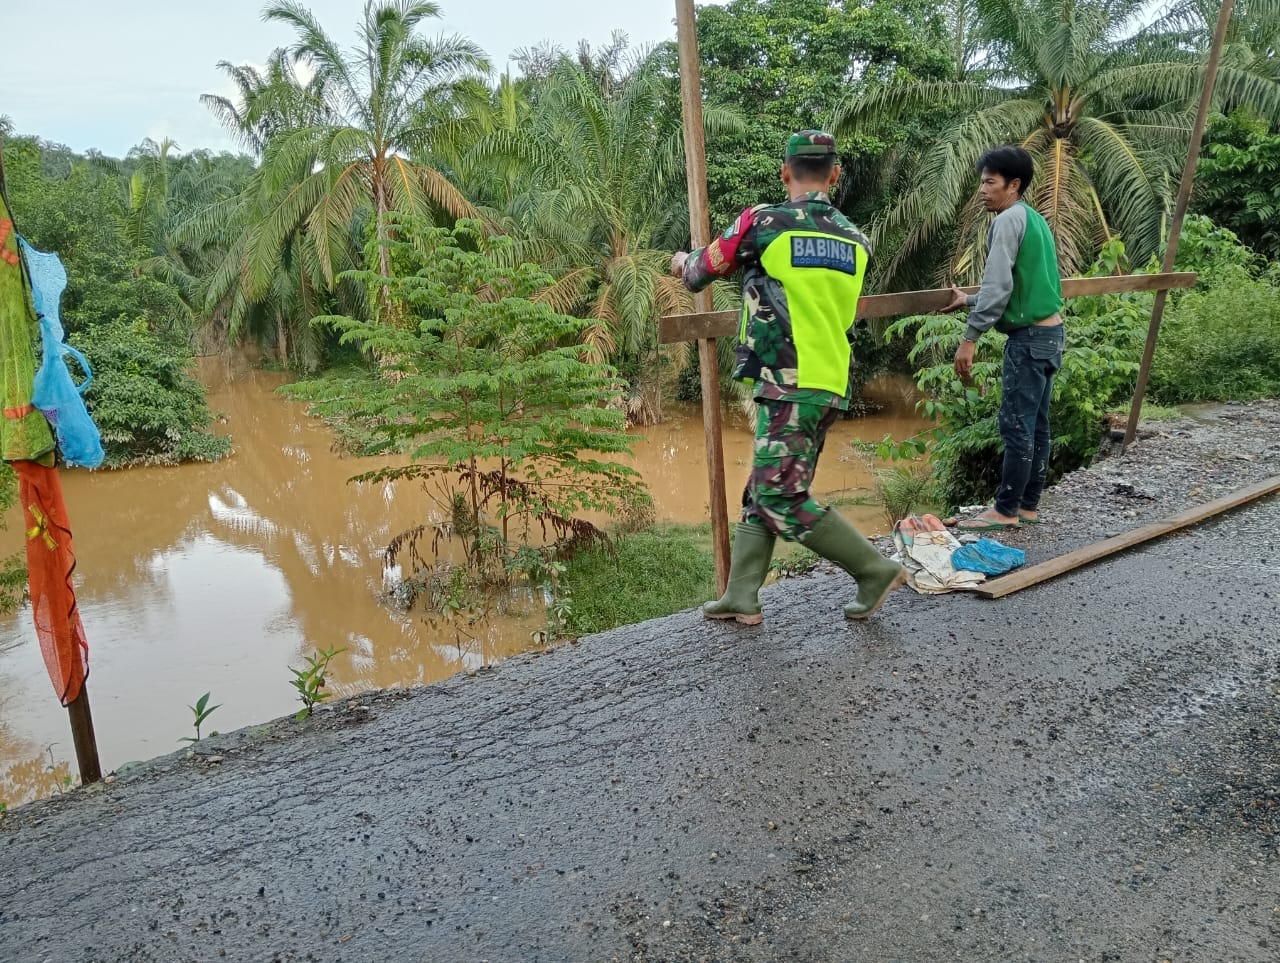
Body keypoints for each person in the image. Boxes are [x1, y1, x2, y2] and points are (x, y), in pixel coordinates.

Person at [670, 129, 906, 625]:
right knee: (768, 483)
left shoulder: (764, 222)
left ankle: (873, 569)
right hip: (829, 379)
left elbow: (698, 272)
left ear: (785, 172)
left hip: (787, 378)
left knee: (781, 493)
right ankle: (742, 594)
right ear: (835, 175)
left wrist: (677, 261)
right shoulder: (856, 240)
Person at [942, 146, 1064, 532]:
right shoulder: (1035, 220)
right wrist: (971, 300)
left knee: (1016, 425)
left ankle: (1005, 510)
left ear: (1013, 185)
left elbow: (998, 285)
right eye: (981, 182)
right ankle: (1027, 506)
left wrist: (970, 337)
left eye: (989, 182)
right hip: (1051, 334)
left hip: (1028, 340)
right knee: (1037, 425)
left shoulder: (1008, 221)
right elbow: (1022, 286)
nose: (982, 190)